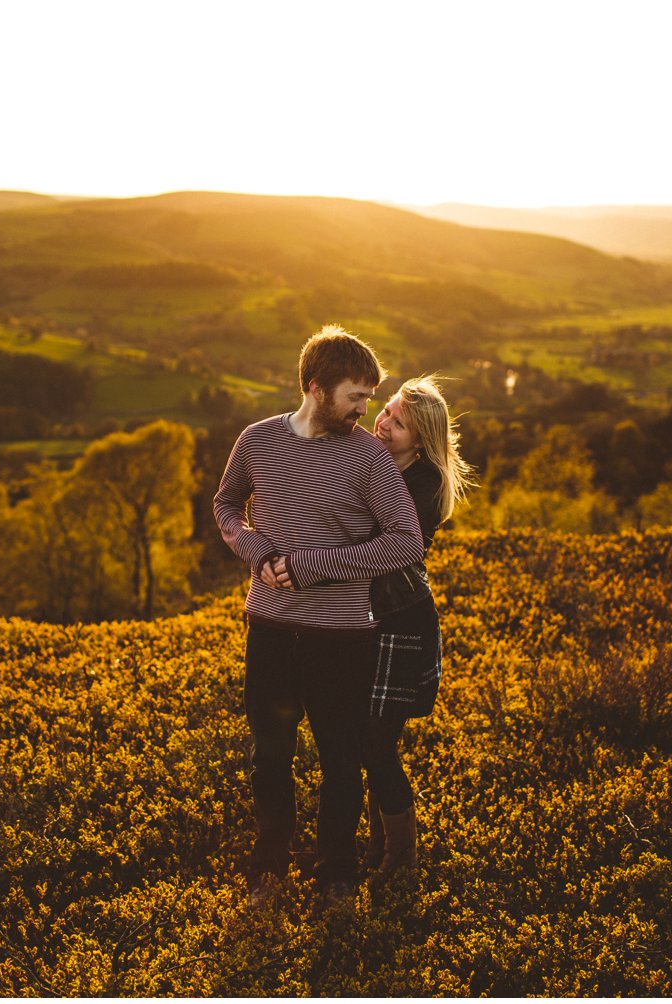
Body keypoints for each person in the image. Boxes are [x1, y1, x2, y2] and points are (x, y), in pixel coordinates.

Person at [213, 324, 424, 903]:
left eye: (369, 397)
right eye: (356, 397)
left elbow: (407, 541)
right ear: (315, 388)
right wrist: (255, 550)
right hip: (271, 627)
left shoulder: (368, 457)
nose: (366, 410)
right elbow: (226, 504)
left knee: (340, 759)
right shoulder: (256, 441)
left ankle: (337, 876)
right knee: (271, 756)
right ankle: (268, 872)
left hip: (343, 634)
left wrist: (314, 565)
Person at [361, 376, 476, 879]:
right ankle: (380, 846)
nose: (383, 423)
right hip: (375, 620)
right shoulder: (388, 464)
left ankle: (400, 859)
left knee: (376, 743)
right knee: (369, 740)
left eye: (397, 421)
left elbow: (367, 535)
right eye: (385, 411)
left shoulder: (421, 485)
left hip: (401, 625)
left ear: (421, 440)